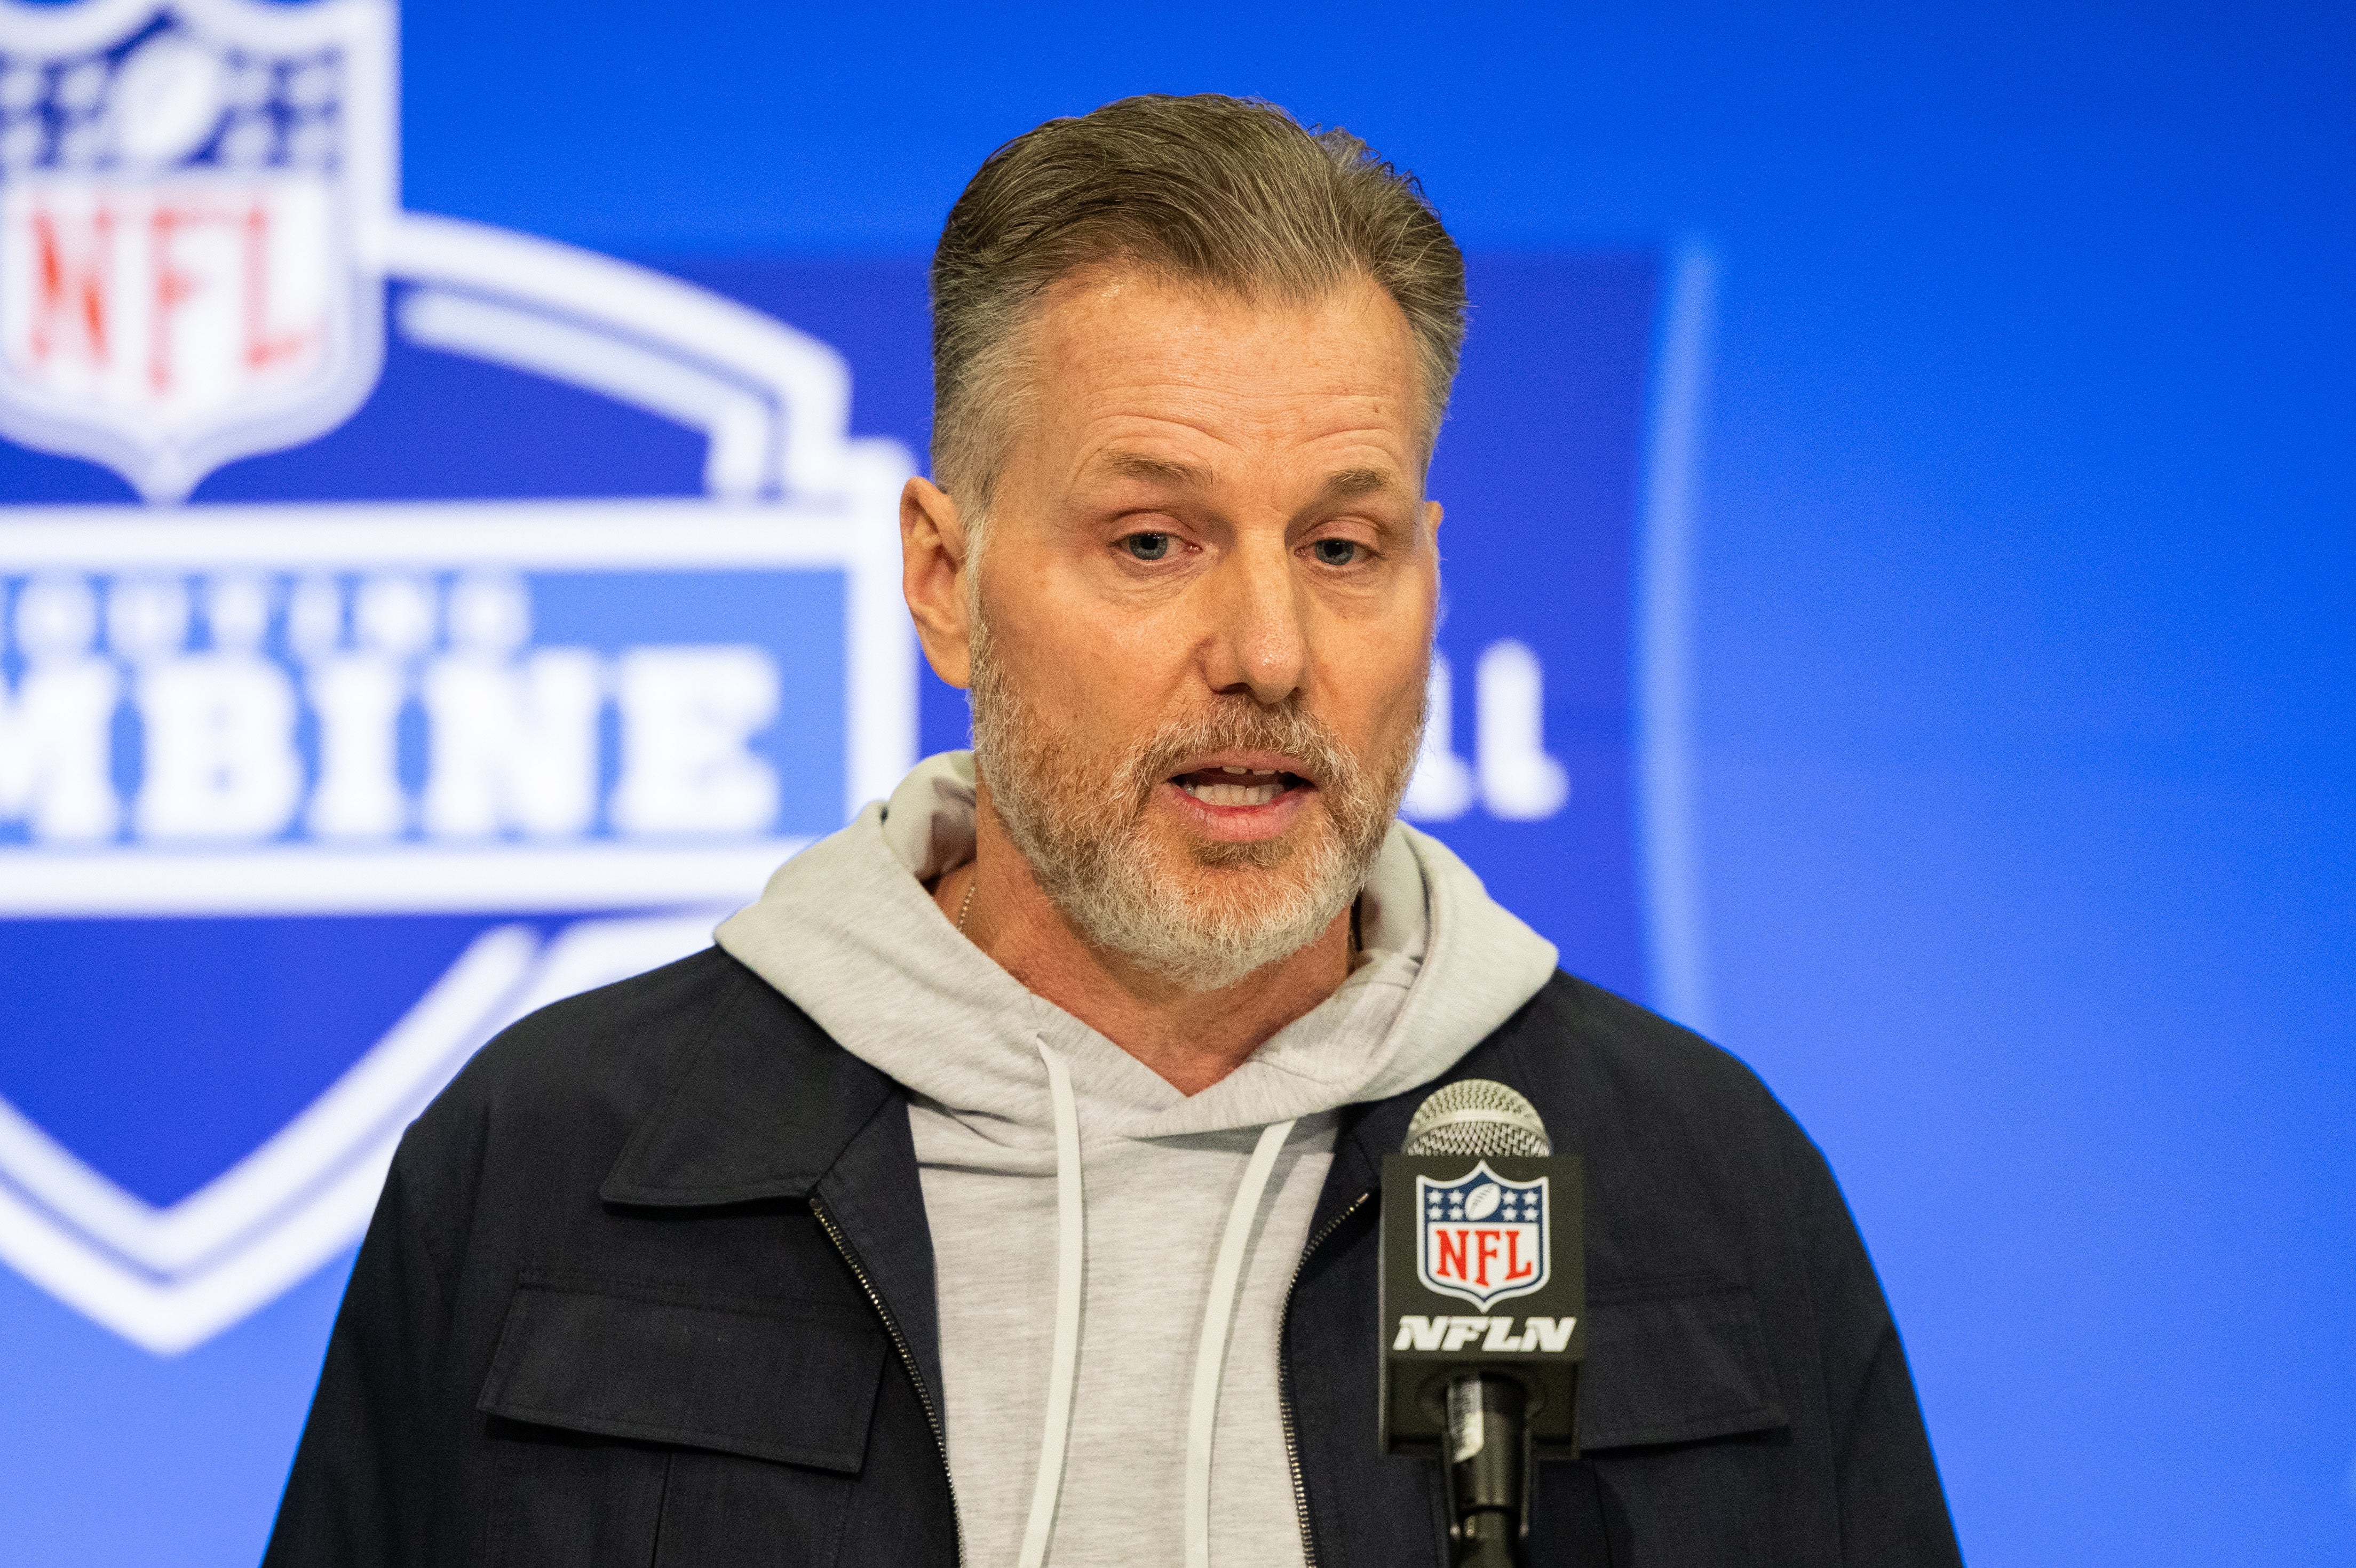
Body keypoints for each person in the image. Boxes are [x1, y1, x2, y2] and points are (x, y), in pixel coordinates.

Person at [263, 94, 1962, 1568]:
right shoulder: (556, 1167)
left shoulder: (1704, 1189)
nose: (1270, 655)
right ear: (945, 578)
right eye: (1154, 541)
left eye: (1344, 546)